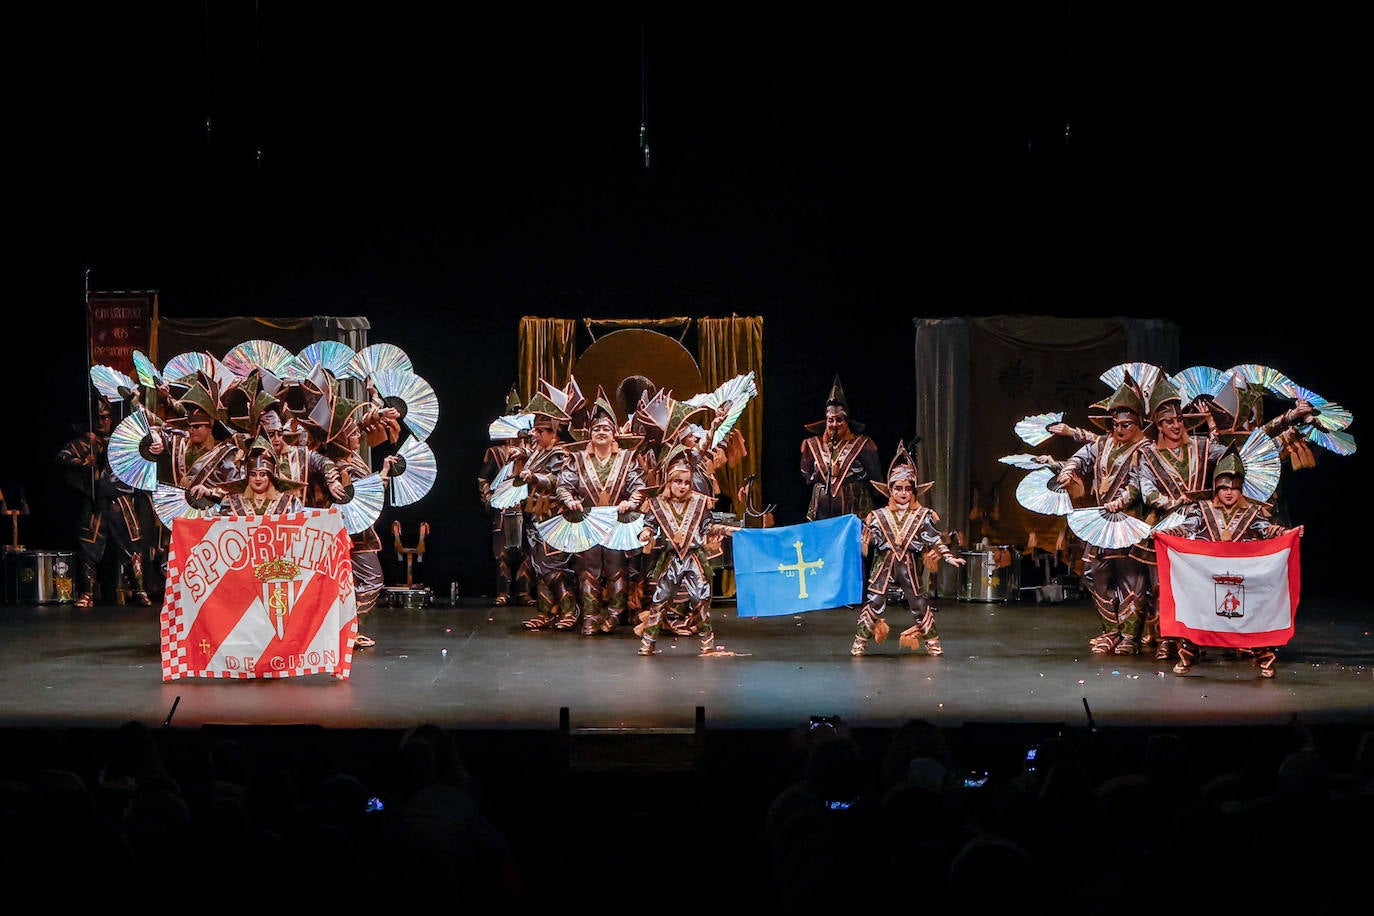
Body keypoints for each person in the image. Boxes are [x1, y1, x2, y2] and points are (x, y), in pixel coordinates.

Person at [1158, 449, 1303, 679]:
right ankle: (1187, 656)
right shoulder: (1201, 510)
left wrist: (1288, 533)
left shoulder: (1254, 512)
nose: (1229, 493)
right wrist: (1166, 533)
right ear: (1216, 487)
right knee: (1198, 614)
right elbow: (1186, 529)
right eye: (1224, 487)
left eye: (1234, 488)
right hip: (1207, 576)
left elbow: (1268, 530)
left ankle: (1264, 658)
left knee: (1252, 616)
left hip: (1243, 577)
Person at [1046, 378, 1154, 656]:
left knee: (1132, 577)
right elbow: (1082, 457)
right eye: (1116, 424)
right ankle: (1111, 631)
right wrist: (1069, 469)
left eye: (1126, 425)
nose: (1119, 429)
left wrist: (1123, 501)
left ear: (1139, 423)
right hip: (1101, 520)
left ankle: (1130, 635)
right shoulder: (1103, 443)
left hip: (1130, 520)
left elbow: (1139, 483)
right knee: (1095, 573)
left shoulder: (1146, 449)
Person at [1135, 374, 1228, 661]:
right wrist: (1170, 501)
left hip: (1199, 523)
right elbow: (1146, 488)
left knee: (1194, 583)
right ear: (1159, 426)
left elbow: (1232, 458)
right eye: (1168, 422)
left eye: (1179, 420)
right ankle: (1166, 638)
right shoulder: (1149, 455)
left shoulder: (1200, 447)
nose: (1176, 426)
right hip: (1164, 523)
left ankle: (1192, 637)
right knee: (1162, 585)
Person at [849, 442, 966, 658]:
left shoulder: (923, 515)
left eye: (907, 488)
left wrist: (948, 557)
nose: (903, 493)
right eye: (898, 488)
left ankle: (932, 643)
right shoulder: (878, 515)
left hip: (909, 566)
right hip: (884, 566)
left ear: (913, 491)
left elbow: (934, 539)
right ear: (890, 490)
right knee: (874, 602)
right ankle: (859, 642)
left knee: (919, 603)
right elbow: (871, 539)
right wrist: (864, 540)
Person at [554, 389, 647, 636]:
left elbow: (639, 486)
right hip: (588, 521)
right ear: (590, 434)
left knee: (617, 567)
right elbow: (563, 485)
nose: (601, 433)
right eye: (596, 429)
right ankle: (590, 617)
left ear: (614, 433)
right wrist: (569, 499)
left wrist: (632, 502)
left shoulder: (628, 458)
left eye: (606, 429)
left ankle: (615, 615)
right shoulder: (578, 459)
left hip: (616, 521)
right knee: (588, 569)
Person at [316, 394, 402, 650]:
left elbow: (362, 429)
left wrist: (378, 414)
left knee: (349, 583)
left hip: (354, 533)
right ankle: (346, 629)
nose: (359, 436)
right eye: (353, 434)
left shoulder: (350, 457)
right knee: (373, 580)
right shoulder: (341, 464)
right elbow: (354, 496)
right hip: (353, 535)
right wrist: (382, 476)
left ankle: (346, 631)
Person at [55, 397, 160, 607]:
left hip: (121, 500)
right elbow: (62, 456)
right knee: (89, 545)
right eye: (99, 417)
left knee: (134, 544)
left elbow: (145, 455)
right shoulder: (85, 442)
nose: (104, 421)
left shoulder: (122, 441)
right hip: (97, 502)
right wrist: (84, 462)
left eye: (107, 417)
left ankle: (139, 589)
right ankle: (87, 593)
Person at [633, 447, 733, 656]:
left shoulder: (699, 502)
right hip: (670, 558)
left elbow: (707, 526)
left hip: (693, 558)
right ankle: (648, 641)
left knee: (700, 598)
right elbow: (649, 524)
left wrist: (725, 529)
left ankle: (707, 641)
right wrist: (645, 532)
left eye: (687, 482)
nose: (683, 486)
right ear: (670, 482)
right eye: (678, 481)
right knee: (660, 599)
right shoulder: (657, 504)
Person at [515, 393, 578, 630]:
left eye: (540, 432)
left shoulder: (561, 454)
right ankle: (545, 612)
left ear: (552, 433)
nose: (535, 435)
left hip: (553, 516)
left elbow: (558, 479)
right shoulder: (538, 452)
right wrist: (522, 458)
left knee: (553, 566)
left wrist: (535, 477)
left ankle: (569, 610)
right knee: (539, 566)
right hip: (535, 517)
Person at [479, 387, 535, 608]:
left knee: (525, 551)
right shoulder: (495, 453)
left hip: (525, 506)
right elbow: (483, 479)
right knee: (501, 552)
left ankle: (523, 591)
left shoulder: (533, 452)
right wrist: (489, 498)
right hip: (502, 508)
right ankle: (503, 591)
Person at [801, 375, 882, 522]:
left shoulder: (863, 444)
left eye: (839, 419)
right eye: (830, 420)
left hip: (854, 508)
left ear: (846, 421)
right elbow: (807, 475)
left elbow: (875, 478)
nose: (834, 424)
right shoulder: (812, 445)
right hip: (822, 511)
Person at [215, 439, 306, 516]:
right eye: (253, 474)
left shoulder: (290, 502)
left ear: (270, 477)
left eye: (263, 474)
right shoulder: (232, 502)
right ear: (247, 477)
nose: (258, 479)